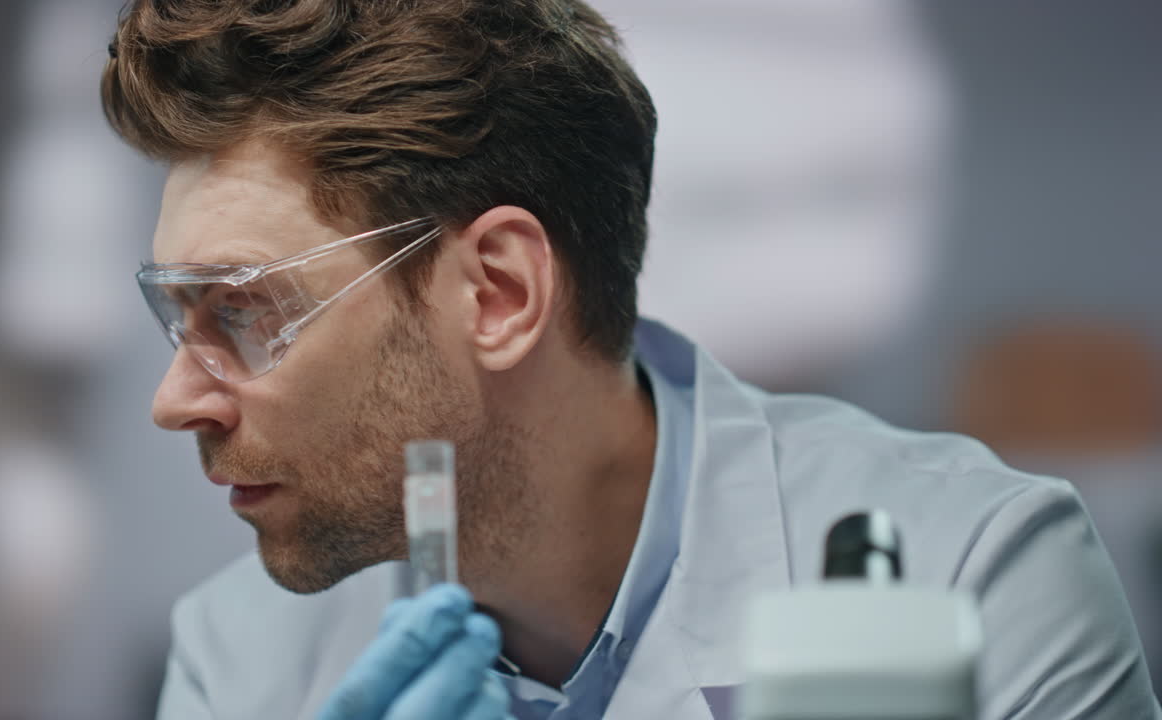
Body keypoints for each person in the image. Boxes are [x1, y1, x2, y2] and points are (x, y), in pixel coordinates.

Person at [100, 1, 1161, 718]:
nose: (175, 400)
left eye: (244, 311)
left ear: (499, 293)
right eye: (177, 317)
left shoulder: (976, 581)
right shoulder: (239, 658)